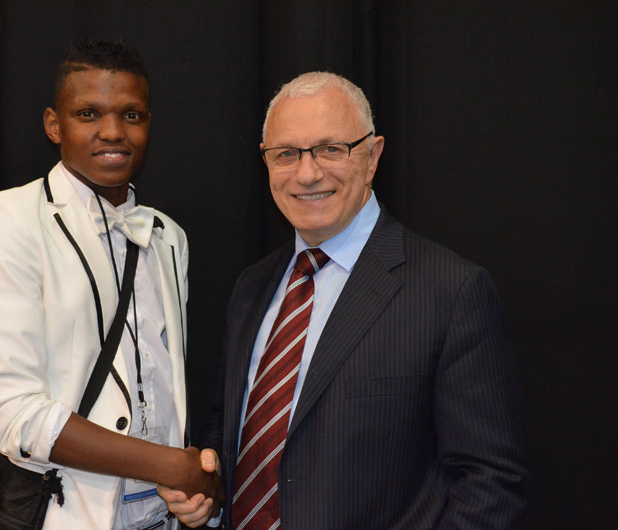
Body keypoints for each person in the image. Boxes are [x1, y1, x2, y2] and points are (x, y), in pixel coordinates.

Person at [159, 71, 529, 529]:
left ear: (372, 157)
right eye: (286, 154)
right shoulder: (251, 287)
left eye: (331, 149)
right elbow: (229, 425)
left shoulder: (450, 291)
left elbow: (491, 482)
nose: (307, 173)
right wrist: (209, 488)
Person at [0, 40, 221, 529]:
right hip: (66, 513)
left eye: (131, 115)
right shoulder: (12, 217)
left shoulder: (168, 236)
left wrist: (192, 488)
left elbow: (167, 390)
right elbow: (13, 411)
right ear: (53, 125)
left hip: (159, 513)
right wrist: (170, 464)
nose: (113, 131)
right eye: (88, 114)